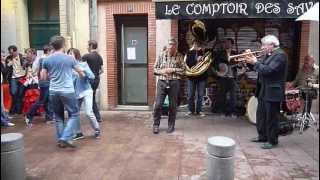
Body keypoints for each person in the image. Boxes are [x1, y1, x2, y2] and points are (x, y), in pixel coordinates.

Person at [41, 35, 84, 148]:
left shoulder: (47, 59)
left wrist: (53, 76)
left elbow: (43, 77)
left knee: (58, 116)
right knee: (74, 114)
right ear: (63, 45)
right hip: (67, 90)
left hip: (53, 91)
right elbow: (81, 73)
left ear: (52, 46)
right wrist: (80, 75)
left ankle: (61, 142)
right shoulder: (70, 58)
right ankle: (65, 137)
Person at [245, 35, 288, 149]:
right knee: (261, 115)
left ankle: (272, 140)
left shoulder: (280, 55)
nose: (262, 47)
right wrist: (250, 60)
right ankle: (262, 136)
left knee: (271, 117)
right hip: (263, 90)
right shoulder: (269, 55)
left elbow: (269, 70)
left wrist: (255, 62)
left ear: (272, 45)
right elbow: (259, 68)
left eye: (264, 45)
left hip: (273, 92)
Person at [153, 38, 185, 134]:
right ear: (167, 46)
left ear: (176, 46)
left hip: (174, 82)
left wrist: (173, 70)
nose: (171, 47)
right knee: (158, 105)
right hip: (162, 82)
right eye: (169, 45)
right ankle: (156, 125)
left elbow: (184, 70)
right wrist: (162, 71)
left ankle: (171, 125)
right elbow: (155, 69)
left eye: (173, 45)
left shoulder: (180, 56)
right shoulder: (161, 55)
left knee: (172, 106)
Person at [67, 48, 101, 140]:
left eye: (71, 53)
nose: (70, 55)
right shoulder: (69, 68)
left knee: (88, 112)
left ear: (76, 55)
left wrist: (83, 73)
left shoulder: (83, 64)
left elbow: (92, 76)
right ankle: (78, 133)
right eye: (68, 53)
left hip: (86, 91)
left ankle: (97, 129)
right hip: (76, 93)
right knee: (74, 113)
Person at [25, 45, 54, 126]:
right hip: (45, 82)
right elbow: (43, 73)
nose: (53, 52)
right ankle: (29, 115)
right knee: (41, 101)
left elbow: (38, 71)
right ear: (48, 51)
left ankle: (49, 118)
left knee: (48, 100)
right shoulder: (44, 59)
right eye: (52, 51)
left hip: (45, 82)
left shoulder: (42, 59)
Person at [213, 38, 238, 116]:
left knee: (233, 96)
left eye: (228, 43)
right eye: (225, 43)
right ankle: (222, 111)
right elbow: (215, 64)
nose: (226, 44)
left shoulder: (235, 53)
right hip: (223, 77)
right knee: (222, 95)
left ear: (232, 44)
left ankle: (232, 111)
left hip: (232, 77)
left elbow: (239, 64)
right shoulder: (220, 53)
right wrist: (218, 72)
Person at [82, 40, 103, 122]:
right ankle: (96, 117)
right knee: (92, 97)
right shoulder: (99, 56)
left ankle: (95, 117)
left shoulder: (86, 56)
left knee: (88, 98)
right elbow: (102, 70)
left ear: (90, 46)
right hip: (97, 79)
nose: (87, 47)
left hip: (89, 80)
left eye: (88, 45)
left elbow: (80, 67)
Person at [185, 40, 207, 116]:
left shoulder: (204, 53)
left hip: (201, 77)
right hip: (191, 77)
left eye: (198, 44)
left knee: (200, 95)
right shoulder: (189, 53)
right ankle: (191, 110)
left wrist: (203, 56)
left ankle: (199, 110)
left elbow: (207, 63)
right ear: (192, 45)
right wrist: (196, 60)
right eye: (195, 44)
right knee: (190, 94)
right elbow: (188, 64)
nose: (196, 46)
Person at [5, 45, 26, 115]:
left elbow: (26, 66)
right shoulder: (8, 58)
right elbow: (6, 69)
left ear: (16, 51)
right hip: (13, 78)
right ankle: (14, 110)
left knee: (20, 94)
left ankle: (19, 110)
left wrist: (25, 64)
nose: (11, 54)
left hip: (22, 77)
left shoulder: (21, 57)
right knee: (14, 93)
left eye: (12, 52)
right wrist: (8, 64)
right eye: (10, 52)